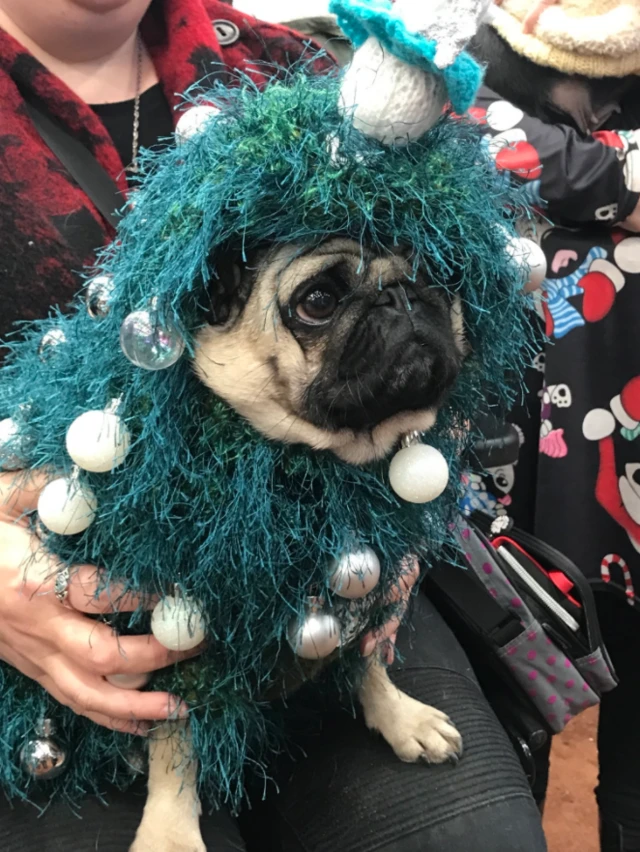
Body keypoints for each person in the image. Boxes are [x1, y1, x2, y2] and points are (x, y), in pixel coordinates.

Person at [0, 2, 548, 850]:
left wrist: (402, 506)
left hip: (349, 565)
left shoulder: (290, 64)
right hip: (49, 607)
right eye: (325, 299)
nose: (396, 312)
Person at [465, 2, 640, 850]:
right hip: (510, 460)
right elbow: (480, 141)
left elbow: (534, 158)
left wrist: (580, 174)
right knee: (513, 707)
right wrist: (623, 184)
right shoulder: (488, 49)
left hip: (626, 462)